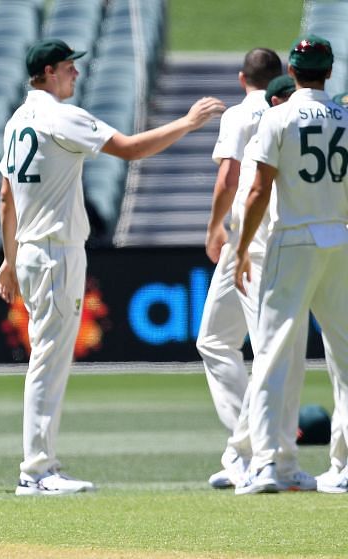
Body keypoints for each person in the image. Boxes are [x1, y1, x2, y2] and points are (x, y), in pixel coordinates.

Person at [0, 38, 225, 495]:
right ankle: (37, 470)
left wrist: (9, 257)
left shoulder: (17, 119)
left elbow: (6, 197)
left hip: (36, 248)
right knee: (49, 359)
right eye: (68, 67)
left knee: (49, 356)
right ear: (47, 72)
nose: (76, 74)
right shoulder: (60, 115)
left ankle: (39, 466)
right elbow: (131, 149)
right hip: (57, 250)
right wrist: (188, 122)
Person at [234, 35, 348, 494]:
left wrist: (241, 247)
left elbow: (259, 190)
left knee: (272, 354)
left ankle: (270, 464)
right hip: (339, 239)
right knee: (344, 358)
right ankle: (341, 466)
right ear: (329, 70)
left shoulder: (277, 116)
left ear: (294, 71)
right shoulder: (345, 117)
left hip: (293, 238)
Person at [196, 52, 314, 491]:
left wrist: (213, 228)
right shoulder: (292, 109)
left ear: (242, 77)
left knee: (265, 348)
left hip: (252, 239)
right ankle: (245, 447)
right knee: (214, 338)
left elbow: (229, 179)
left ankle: (258, 454)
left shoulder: (243, 113)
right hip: (254, 237)